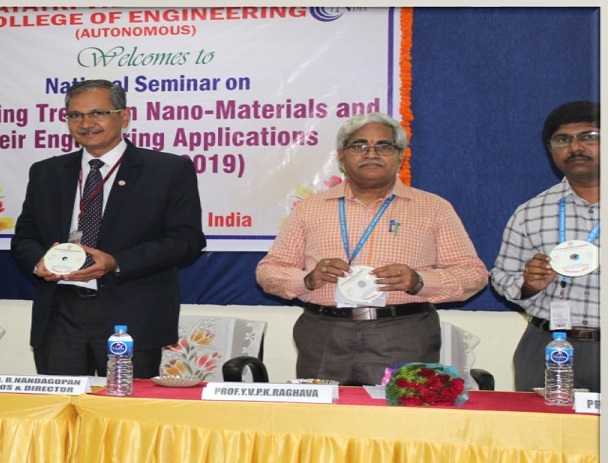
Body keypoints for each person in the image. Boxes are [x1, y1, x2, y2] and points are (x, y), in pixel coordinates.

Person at [256, 113, 488, 386]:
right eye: (360, 146)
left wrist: (419, 281)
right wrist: (308, 279)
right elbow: (269, 272)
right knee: (324, 413)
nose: (372, 154)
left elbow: (473, 274)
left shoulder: (433, 208)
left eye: (384, 146)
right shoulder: (310, 208)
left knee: (399, 413)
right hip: (324, 335)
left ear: (400, 156)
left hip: (404, 333)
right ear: (341, 155)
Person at [11, 79, 205, 378]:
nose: (86, 123)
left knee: (124, 405)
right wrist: (39, 261)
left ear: (124, 117)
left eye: (98, 113)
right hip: (59, 314)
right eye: (75, 115)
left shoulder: (167, 170)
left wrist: (117, 262)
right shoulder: (46, 172)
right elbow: (25, 236)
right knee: (60, 405)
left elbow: (186, 240)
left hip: (131, 314)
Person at [491, 101, 600, 392]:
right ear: (550, 149)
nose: (575, 147)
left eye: (589, 136)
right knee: (540, 423)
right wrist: (528, 284)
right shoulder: (531, 212)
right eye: (563, 140)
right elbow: (501, 277)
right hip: (549, 346)